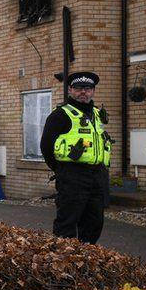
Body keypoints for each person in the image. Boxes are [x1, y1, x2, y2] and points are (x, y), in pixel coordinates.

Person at [40, 71, 113, 244]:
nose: (83, 92)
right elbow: (46, 147)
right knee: (67, 223)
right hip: (73, 176)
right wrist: (62, 170)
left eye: (88, 88)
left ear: (93, 91)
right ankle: (63, 263)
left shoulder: (98, 114)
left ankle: (85, 260)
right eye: (79, 88)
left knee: (94, 223)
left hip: (97, 176)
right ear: (70, 90)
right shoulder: (60, 115)